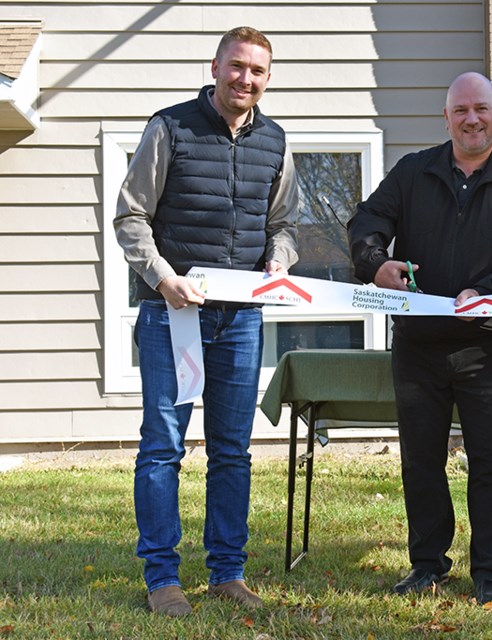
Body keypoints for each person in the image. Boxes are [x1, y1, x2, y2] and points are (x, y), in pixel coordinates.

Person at [114, 26, 299, 617]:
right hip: (172, 316)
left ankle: (227, 572)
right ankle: (162, 578)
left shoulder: (276, 141)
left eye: (258, 71)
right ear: (215, 66)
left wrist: (279, 261)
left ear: (268, 79)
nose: (246, 79)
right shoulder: (169, 127)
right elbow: (131, 216)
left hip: (241, 320)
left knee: (232, 450)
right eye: (237, 66)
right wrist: (162, 277)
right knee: (163, 447)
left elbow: (286, 224)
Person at [348, 72, 492, 605]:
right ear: (446, 118)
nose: (471, 119)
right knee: (420, 460)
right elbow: (366, 220)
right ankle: (427, 565)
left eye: (481, 108)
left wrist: (485, 294)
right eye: (460, 110)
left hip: (487, 346)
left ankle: (491, 574)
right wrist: (374, 264)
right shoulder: (414, 172)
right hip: (418, 345)